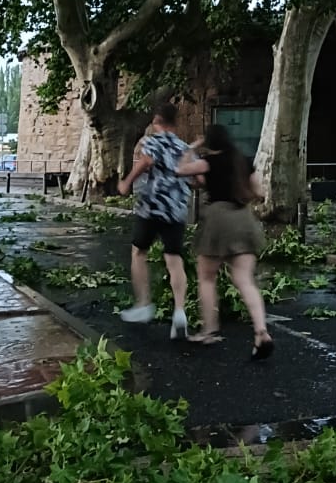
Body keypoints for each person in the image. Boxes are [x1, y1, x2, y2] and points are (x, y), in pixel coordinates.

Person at [177, 124, 273, 359]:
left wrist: (192, 147)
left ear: (210, 142)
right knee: (244, 279)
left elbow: (179, 170)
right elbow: (259, 192)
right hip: (243, 219)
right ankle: (261, 331)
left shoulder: (209, 162)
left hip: (218, 220)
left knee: (207, 278)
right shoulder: (244, 161)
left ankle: (209, 330)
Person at [116, 101, 191, 338]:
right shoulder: (184, 147)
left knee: (139, 252)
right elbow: (196, 178)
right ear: (175, 122)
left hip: (152, 206)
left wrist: (127, 182)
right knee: (174, 258)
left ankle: (144, 304)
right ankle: (179, 311)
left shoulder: (153, 141)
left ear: (157, 120)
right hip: (176, 210)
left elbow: (147, 162)